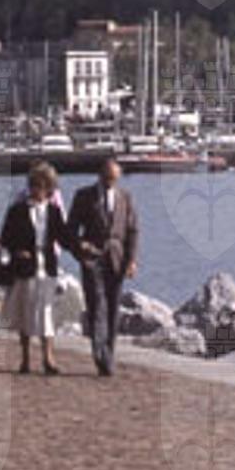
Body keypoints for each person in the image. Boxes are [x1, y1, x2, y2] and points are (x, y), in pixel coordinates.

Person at [67, 154, 140, 378]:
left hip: (116, 259)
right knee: (97, 306)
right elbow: (70, 230)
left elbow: (132, 231)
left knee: (112, 308)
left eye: (114, 178)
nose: (111, 182)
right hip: (92, 260)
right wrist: (81, 248)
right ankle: (101, 357)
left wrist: (131, 260)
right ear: (100, 175)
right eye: (107, 178)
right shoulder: (84, 196)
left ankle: (109, 352)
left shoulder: (125, 197)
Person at [0, 161, 72, 374]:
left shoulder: (54, 211)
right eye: (35, 185)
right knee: (26, 312)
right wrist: (17, 251)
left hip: (47, 265)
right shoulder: (17, 210)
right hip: (25, 267)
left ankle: (48, 358)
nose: (38, 190)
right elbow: (6, 237)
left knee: (46, 311)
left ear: (49, 188)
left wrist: (83, 249)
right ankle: (25, 358)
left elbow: (64, 238)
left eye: (43, 186)